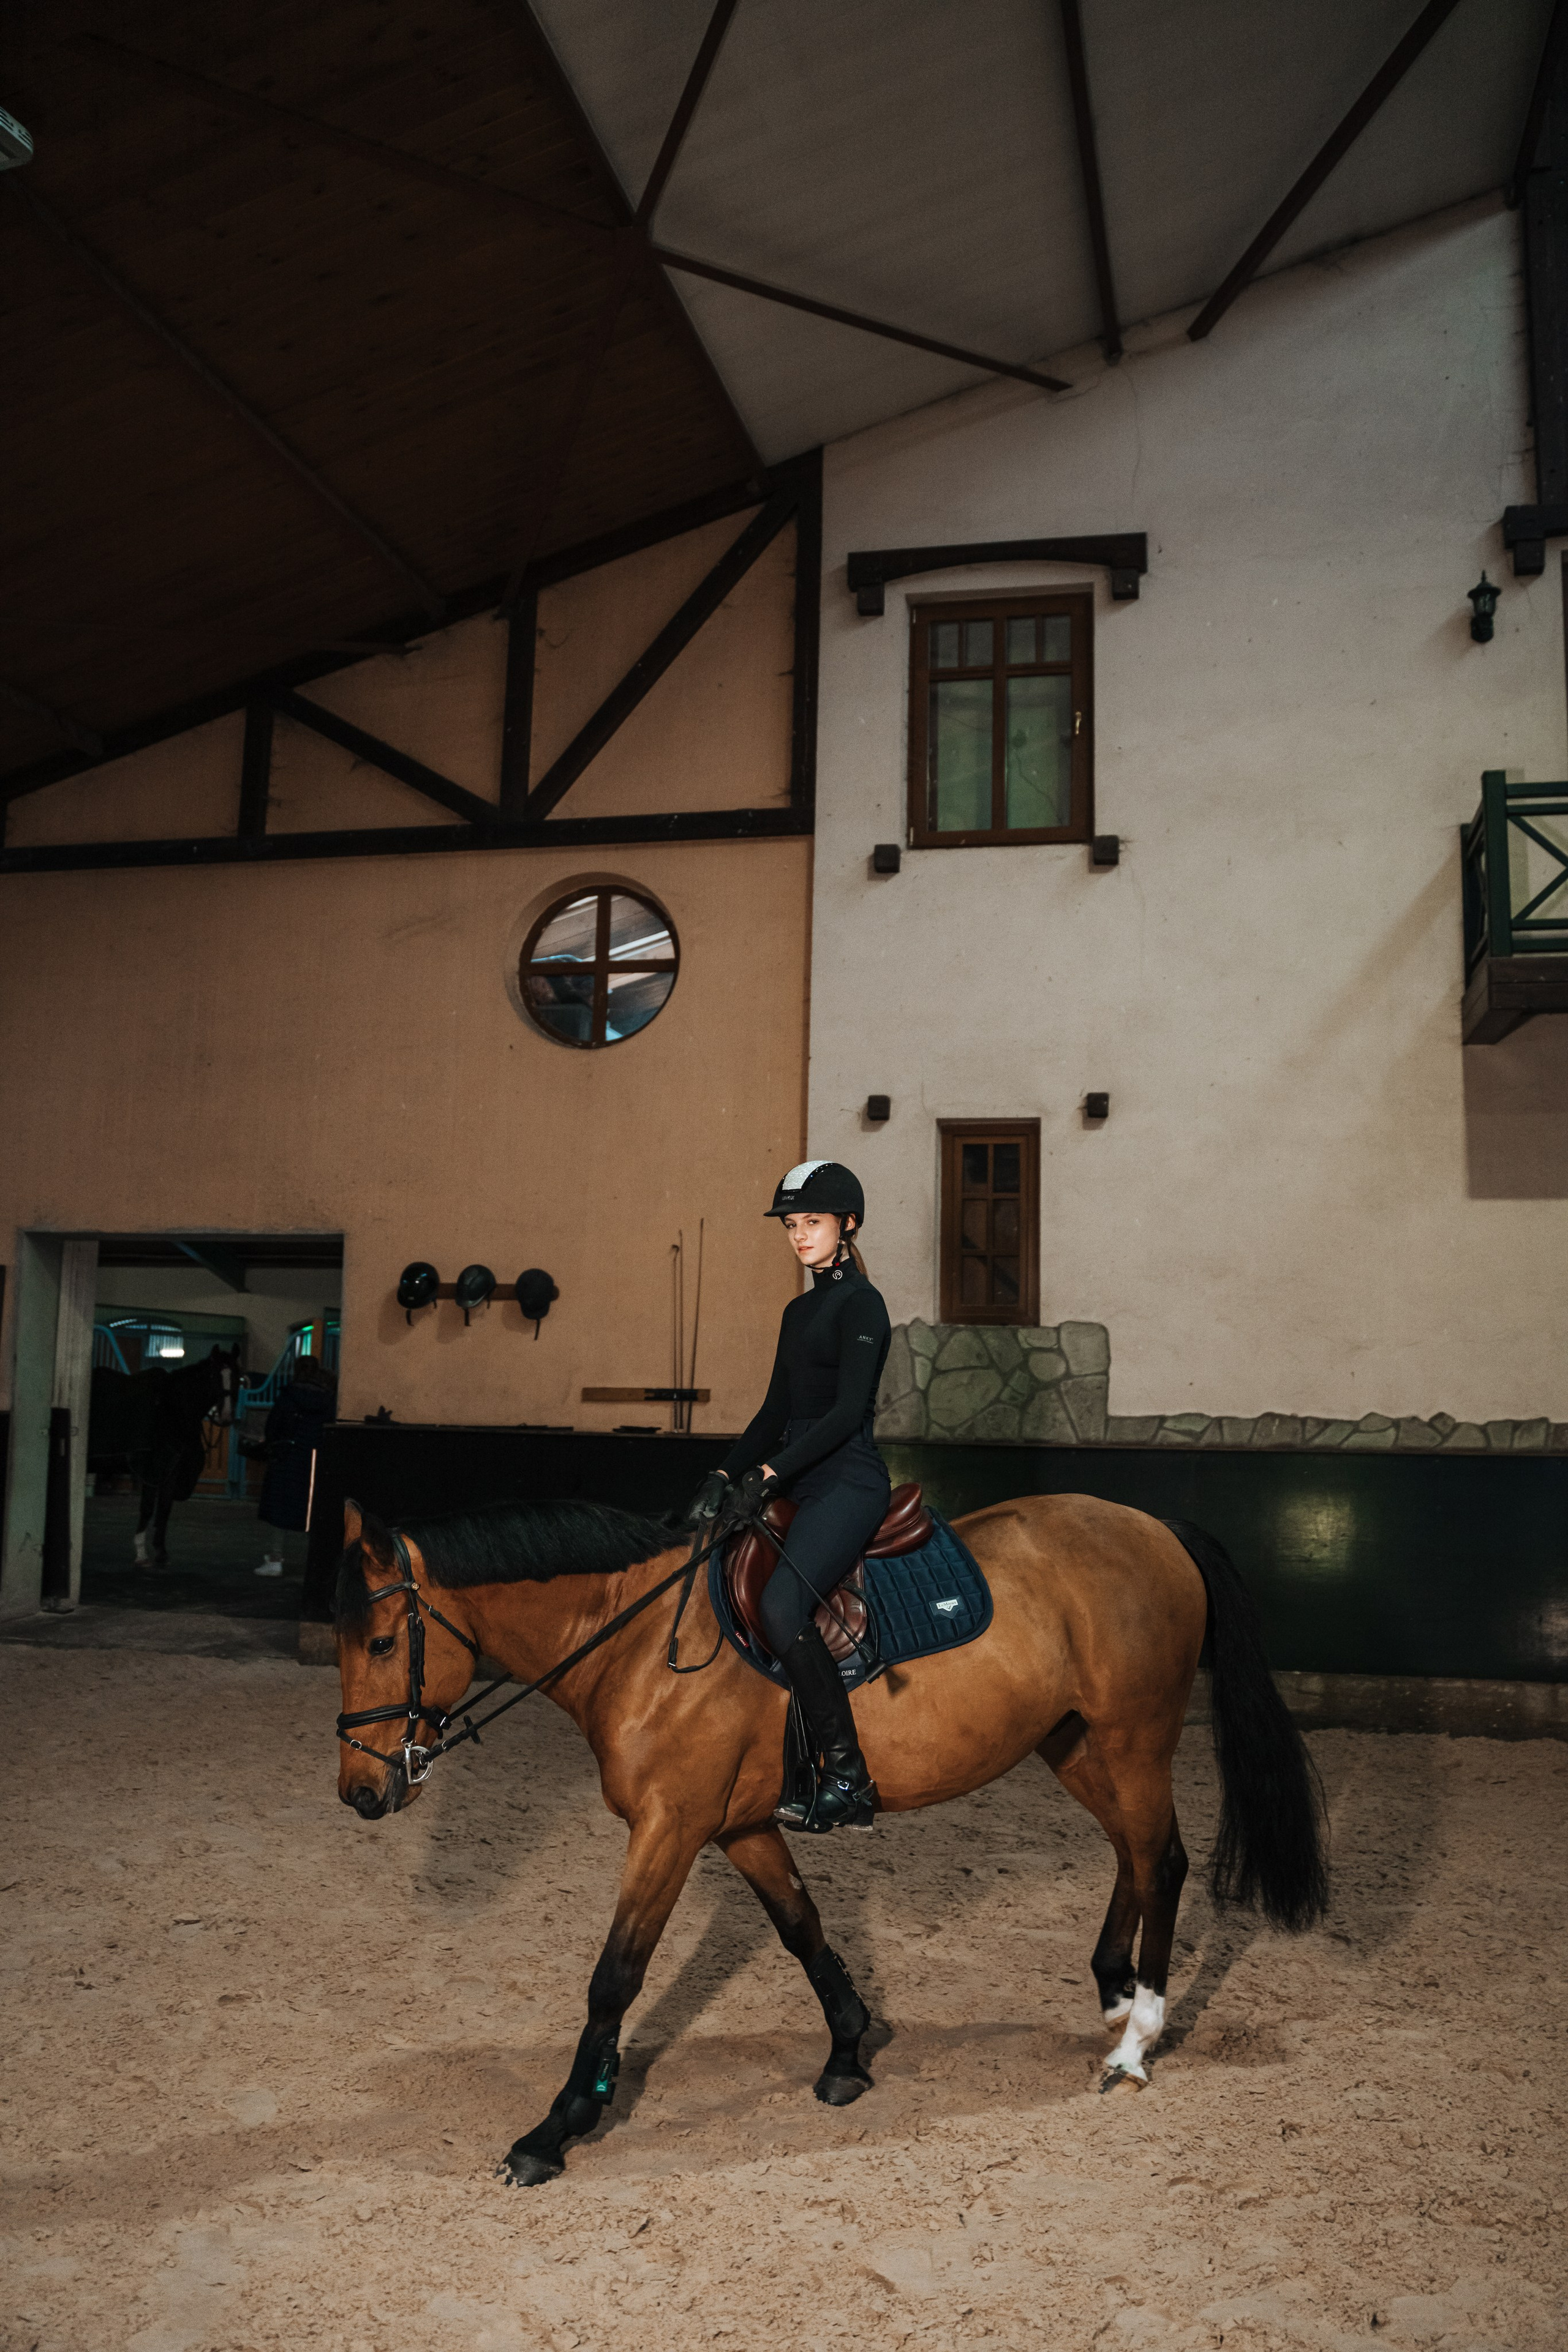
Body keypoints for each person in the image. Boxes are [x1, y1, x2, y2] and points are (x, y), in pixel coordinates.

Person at [688, 1160, 891, 1831]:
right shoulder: (799, 1309)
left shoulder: (862, 1304)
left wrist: (770, 1475)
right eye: (793, 1225)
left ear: (848, 1224)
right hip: (799, 1470)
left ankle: (849, 1778)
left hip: (847, 1476)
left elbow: (843, 1415)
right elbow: (776, 1409)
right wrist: (724, 1474)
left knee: (780, 1603)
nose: (800, 1236)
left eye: (813, 1223)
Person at [254, 1352, 337, 1545]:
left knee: (280, 1507)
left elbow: (273, 1428)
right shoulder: (327, 1400)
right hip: (316, 1460)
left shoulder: (288, 1395)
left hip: (287, 1457)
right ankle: (312, 1561)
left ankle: (275, 1558)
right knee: (313, 1508)